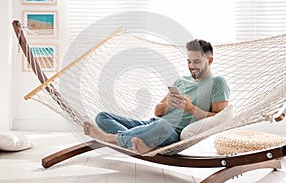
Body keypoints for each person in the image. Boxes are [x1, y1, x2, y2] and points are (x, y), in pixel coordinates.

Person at [84, 39, 230, 154]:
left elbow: (218, 119)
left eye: (196, 61)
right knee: (102, 117)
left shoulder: (217, 83)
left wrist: (191, 109)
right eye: (189, 61)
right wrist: (168, 105)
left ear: (209, 60)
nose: (191, 65)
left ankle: (111, 138)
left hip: (171, 133)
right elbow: (157, 112)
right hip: (151, 124)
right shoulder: (181, 81)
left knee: (162, 126)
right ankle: (142, 143)